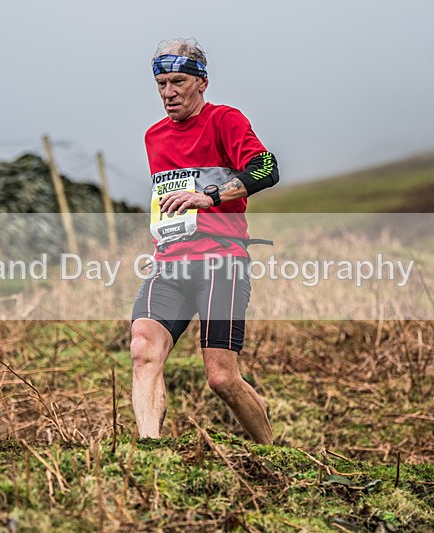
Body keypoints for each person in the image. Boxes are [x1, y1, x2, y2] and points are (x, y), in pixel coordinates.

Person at [130, 38, 279, 444]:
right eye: (161, 83)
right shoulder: (154, 137)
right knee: (143, 350)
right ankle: (149, 451)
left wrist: (210, 196)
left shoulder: (224, 120)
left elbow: (267, 169)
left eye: (178, 81)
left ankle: (274, 455)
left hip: (220, 262)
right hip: (169, 263)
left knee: (221, 378)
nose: (168, 92)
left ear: (202, 82)